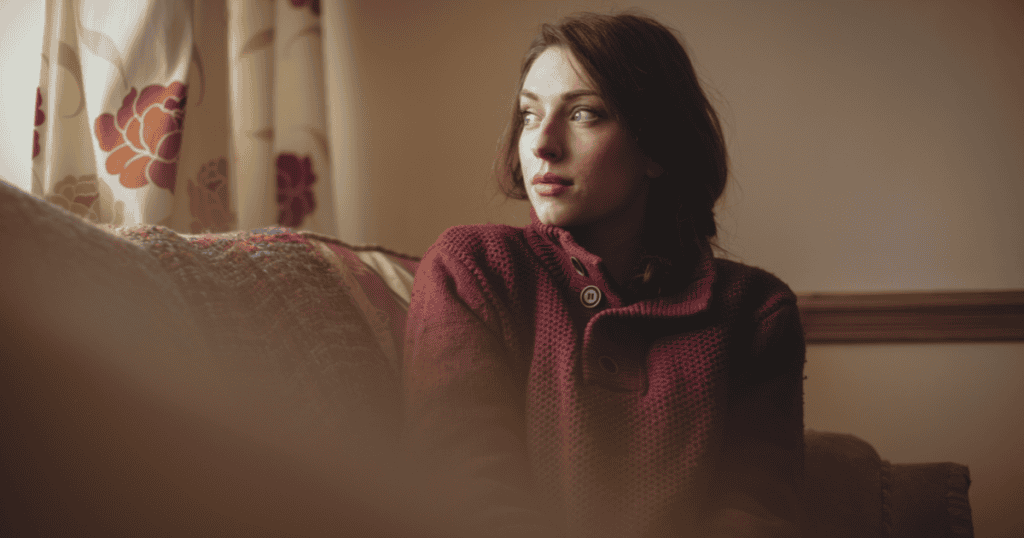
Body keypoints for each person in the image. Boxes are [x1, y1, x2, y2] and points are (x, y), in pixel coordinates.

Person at [402, 12, 805, 538]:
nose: (542, 143)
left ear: (656, 148)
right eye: (528, 115)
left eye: (585, 114)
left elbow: (755, 511)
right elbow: (463, 493)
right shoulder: (472, 267)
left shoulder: (755, 311)